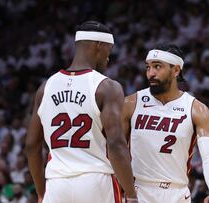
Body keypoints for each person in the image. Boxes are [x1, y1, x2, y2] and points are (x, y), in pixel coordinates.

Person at [25, 21, 137, 203]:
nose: (109, 57)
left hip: (57, 183)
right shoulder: (107, 86)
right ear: (98, 45)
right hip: (96, 181)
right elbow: (116, 144)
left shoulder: (46, 87)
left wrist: (41, 192)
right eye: (109, 50)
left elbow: (31, 146)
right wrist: (131, 194)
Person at [122, 44, 209, 203]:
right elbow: (115, 150)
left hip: (177, 193)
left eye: (157, 67)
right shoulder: (130, 103)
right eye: (148, 67)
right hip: (138, 191)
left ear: (176, 70)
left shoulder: (196, 110)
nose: (151, 73)